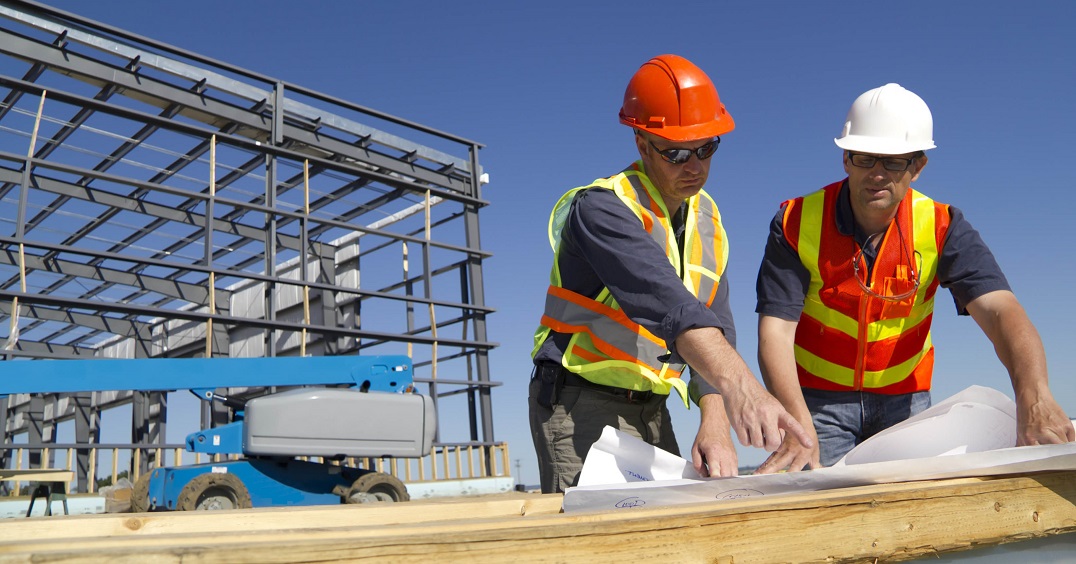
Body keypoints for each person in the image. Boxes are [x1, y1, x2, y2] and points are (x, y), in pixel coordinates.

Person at [754, 83, 1075, 472]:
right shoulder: (794, 222)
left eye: (892, 162)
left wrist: (1035, 397)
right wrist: (796, 420)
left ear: (917, 167)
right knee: (814, 511)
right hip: (815, 403)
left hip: (905, 402)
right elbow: (775, 333)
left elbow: (1000, 311)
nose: (876, 174)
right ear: (845, 158)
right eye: (865, 157)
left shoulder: (943, 226)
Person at [528, 54, 810, 494]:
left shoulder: (707, 219)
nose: (694, 165)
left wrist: (714, 419)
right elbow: (674, 308)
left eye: (706, 148)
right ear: (642, 144)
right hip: (577, 401)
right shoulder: (602, 209)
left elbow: (715, 322)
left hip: (651, 408)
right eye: (676, 152)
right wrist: (744, 388)